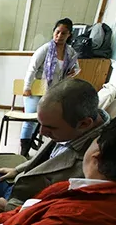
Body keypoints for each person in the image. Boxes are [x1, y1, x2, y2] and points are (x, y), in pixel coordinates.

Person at [0, 79, 109, 224]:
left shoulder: (96, 161)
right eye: (41, 124)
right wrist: (18, 169)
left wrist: (9, 206)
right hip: (21, 182)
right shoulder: (73, 126)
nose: (41, 133)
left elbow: (60, 209)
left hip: (23, 206)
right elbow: (49, 159)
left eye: (50, 127)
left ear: (84, 124)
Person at [21, 18, 81, 157]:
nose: (59, 36)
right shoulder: (45, 49)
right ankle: (24, 148)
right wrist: (27, 87)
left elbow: (77, 68)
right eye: (57, 32)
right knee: (30, 119)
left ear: (69, 35)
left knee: (42, 119)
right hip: (36, 89)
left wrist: (74, 72)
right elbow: (32, 69)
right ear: (53, 32)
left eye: (63, 33)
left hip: (54, 92)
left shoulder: (70, 52)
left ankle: (30, 140)